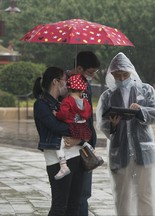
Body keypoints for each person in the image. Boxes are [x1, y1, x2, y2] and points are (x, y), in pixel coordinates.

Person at [96, 52, 155, 215]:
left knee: (145, 194)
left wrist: (141, 111)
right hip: (119, 151)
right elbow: (102, 122)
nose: (121, 78)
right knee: (122, 195)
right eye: (117, 75)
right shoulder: (107, 96)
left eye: (124, 74)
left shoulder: (146, 90)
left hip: (143, 150)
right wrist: (112, 125)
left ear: (131, 73)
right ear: (112, 75)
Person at [33, 66, 85, 215]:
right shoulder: (42, 105)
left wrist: (80, 135)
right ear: (56, 82)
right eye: (65, 80)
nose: (68, 84)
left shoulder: (65, 102)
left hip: (76, 156)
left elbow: (85, 125)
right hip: (57, 161)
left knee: (74, 205)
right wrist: (79, 131)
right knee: (59, 206)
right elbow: (56, 127)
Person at [66, 51, 101, 216]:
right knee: (73, 194)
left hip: (86, 144)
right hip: (72, 145)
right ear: (79, 68)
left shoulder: (86, 87)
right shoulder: (65, 86)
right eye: (90, 72)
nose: (91, 76)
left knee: (84, 193)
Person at [54, 74, 103, 180]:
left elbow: (63, 115)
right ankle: (95, 155)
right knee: (83, 143)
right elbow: (87, 114)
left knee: (58, 145)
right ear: (82, 91)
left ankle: (63, 166)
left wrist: (56, 114)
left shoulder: (67, 101)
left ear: (69, 88)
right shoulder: (85, 102)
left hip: (72, 128)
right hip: (83, 128)